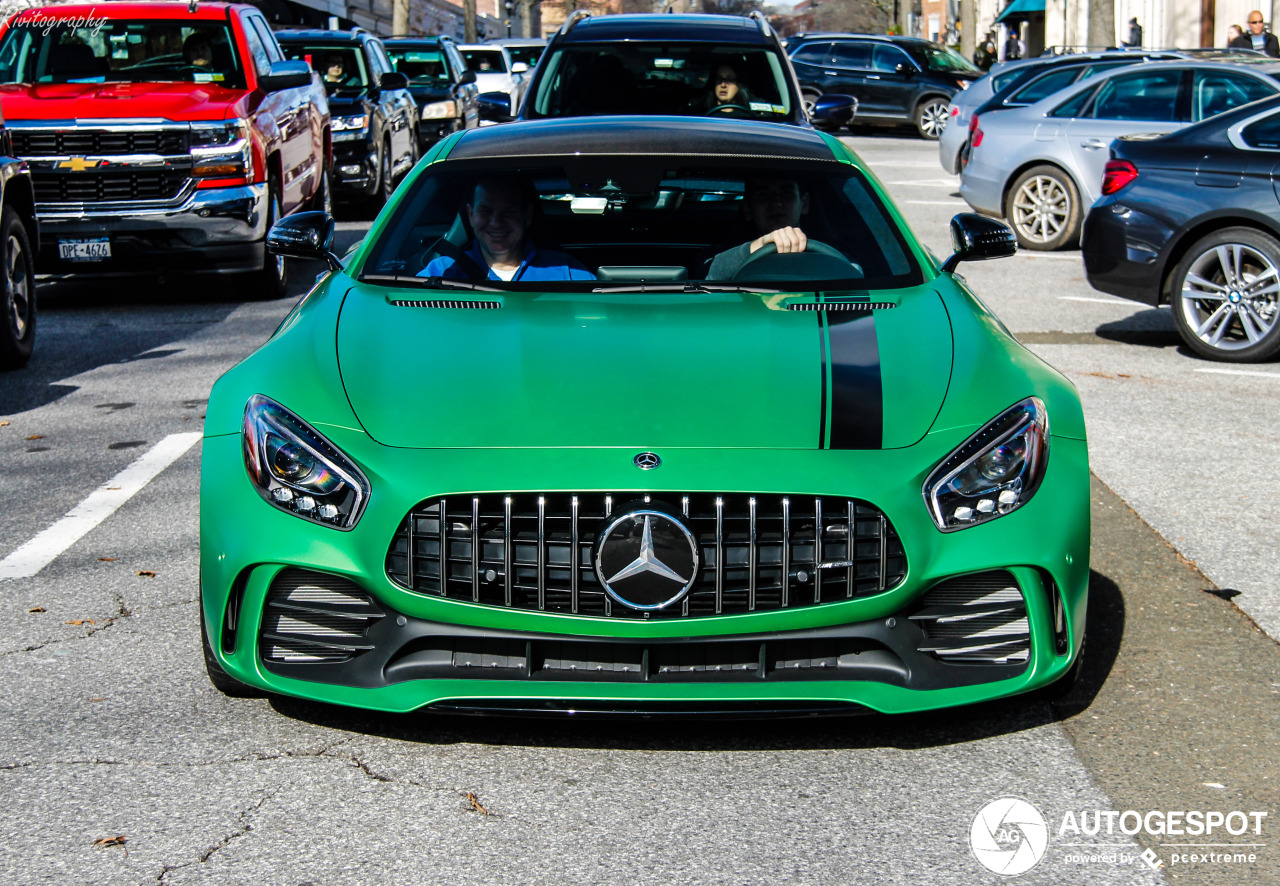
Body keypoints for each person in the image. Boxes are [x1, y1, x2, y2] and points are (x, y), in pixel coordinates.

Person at [420, 177, 595, 282]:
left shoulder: (568, 272)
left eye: (508, 212)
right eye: (485, 211)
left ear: (527, 216)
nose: (496, 222)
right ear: (471, 215)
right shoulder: (440, 273)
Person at [706, 177, 812, 280]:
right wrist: (761, 245)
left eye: (786, 194)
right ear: (747, 209)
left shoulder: (826, 257)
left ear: (804, 204)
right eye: (763, 196)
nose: (776, 203)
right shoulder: (724, 258)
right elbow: (710, 276)